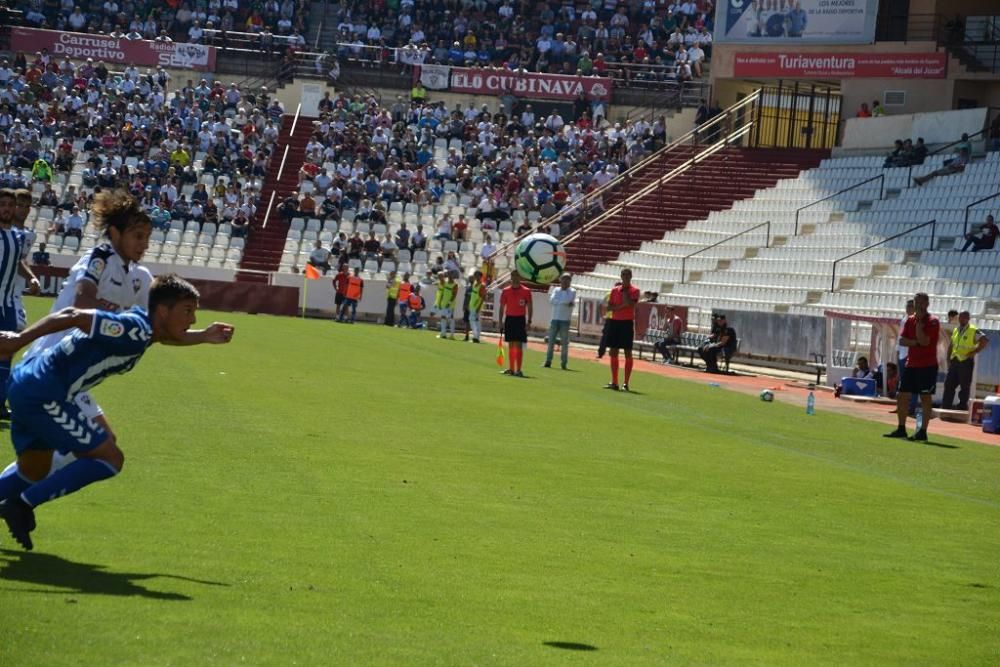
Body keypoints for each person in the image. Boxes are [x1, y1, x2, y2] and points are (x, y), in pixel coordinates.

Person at [0, 274, 234, 550]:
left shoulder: (144, 328)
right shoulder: (134, 328)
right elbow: (74, 314)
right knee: (110, 457)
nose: (192, 320)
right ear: (162, 310)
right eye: (187, 311)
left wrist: (203, 336)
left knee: (33, 469)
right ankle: (21, 504)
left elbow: (163, 337)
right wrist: (19, 340)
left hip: (29, 385)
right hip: (45, 394)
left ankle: (18, 499)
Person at [0, 189, 42, 418]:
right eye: (3, 204)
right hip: (6, 299)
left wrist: (31, 277)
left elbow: (18, 261)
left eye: (11, 205)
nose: (8, 208)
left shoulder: (19, 237)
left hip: (8, 301)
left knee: (8, 349)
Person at [885, 292, 940, 442]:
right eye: (916, 303)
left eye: (921, 303)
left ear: (927, 304)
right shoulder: (909, 320)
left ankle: (922, 431)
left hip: (927, 365)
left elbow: (925, 341)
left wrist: (919, 329)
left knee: (925, 397)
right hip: (911, 364)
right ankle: (901, 428)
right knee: (902, 395)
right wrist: (916, 342)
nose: (918, 306)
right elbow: (902, 341)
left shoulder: (932, 321)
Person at [942, 310, 988, 412]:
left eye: (964, 317)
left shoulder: (973, 330)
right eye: (960, 317)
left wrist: (975, 351)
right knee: (949, 384)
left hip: (965, 361)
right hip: (955, 360)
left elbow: (984, 340)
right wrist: (948, 358)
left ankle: (962, 408)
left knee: (964, 386)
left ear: (968, 318)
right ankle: (945, 407)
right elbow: (952, 344)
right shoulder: (956, 329)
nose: (961, 319)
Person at [605, 268, 640, 391]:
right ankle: (614, 382)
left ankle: (626, 383)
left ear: (631, 276)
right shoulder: (614, 290)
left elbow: (630, 304)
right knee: (613, 351)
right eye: (623, 274)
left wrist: (624, 293)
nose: (625, 277)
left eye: (627, 275)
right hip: (615, 322)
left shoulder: (635, 291)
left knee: (627, 352)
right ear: (620, 276)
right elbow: (609, 307)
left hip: (626, 323)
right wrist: (620, 307)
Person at [11, 189, 38, 331]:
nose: (23, 210)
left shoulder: (30, 236)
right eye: (19, 205)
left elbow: (21, 259)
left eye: (27, 206)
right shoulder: (4, 231)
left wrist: (31, 279)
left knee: (18, 331)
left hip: (15, 292)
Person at [498, 271, 532, 377]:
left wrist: (529, 321)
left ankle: (519, 370)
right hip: (509, 319)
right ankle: (511, 369)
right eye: (513, 275)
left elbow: (530, 306)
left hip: (520, 319)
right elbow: (502, 307)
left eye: (517, 275)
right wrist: (500, 322)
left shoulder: (526, 291)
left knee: (519, 345)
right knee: (511, 344)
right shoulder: (505, 291)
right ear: (511, 277)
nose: (515, 277)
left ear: (520, 277)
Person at [543, 273, 575, 370]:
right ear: (560, 280)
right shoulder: (556, 290)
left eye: (567, 279)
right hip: (555, 319)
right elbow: (552, 300)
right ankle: (548, 361)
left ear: (570, 281)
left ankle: (563, 363)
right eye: (564, 279)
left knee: (564, 343)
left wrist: (560, 302)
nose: (565, 281)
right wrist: (563, 302)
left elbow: (568, 300)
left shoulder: (572, 291)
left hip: (565, 320)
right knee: (551, 341)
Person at [434, 271, 458, 339]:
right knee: (443, 317)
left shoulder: (455, 284)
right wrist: (440, 302)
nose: (449, 276)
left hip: (451, 304)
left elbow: (454, 295)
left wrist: (449, 303)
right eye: (449, 274)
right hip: (444, 303)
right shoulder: (445, 283)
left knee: (450, 319)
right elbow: (442, 292)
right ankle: (443, 334)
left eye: (451, 274)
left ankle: (452, 335)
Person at [465, 270, 486, 343]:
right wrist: (469, 304)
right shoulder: (474, 283)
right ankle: (476, 337)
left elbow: (483, 297)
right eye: (475, 275)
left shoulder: (482, 285)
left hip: (477, 306)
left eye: (477, 275)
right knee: (475, 321)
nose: (475, 276)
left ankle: (475, 336)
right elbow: (473, 296)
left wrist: (479, 307)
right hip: (472, 305)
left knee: (473, 321)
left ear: (480, 276)